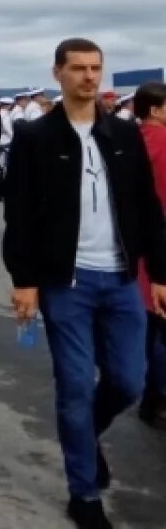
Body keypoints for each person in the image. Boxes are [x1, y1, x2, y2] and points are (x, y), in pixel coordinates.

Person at [4, 39, 166, 529]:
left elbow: (147, 208)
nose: (89, 77)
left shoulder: (123, 134)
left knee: (128, 380)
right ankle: (84, 492)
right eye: (78, 68)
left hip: (120, 278)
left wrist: (159, 273)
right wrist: (25, 281)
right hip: (64, 282)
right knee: (74, 385)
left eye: (96, 68)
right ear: (58, 73)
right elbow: (21, 215)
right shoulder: (35, 137)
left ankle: (84, 433)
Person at [133, 81, 166, 429]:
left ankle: (151, 397)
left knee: (152, 324)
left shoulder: (131, 141)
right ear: (156, 110)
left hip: (137, 240)